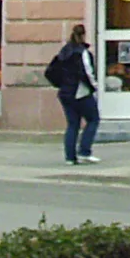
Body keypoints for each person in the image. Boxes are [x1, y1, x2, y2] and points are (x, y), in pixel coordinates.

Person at [48, 23, 102, 164]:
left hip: (65, 92)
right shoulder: (82, 52)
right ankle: (84, 151)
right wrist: (95, 87)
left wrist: (60, 84)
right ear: (83, 35)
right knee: (93, 119)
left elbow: (51, 71)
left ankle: (70, 157)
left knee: (73, 124)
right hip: (80, 91)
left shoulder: (64, 51)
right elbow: (88, 72)